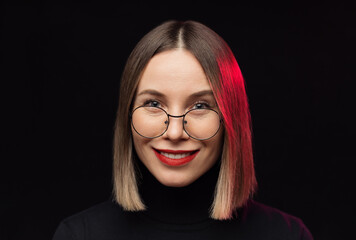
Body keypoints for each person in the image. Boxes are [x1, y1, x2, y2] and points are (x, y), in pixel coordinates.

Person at [53, 20, 313, 240]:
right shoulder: (79, 235)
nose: (175, 132)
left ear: (230, 120)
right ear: (127, 115)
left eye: (200, 106)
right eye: (153, 104)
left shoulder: (286, 234)